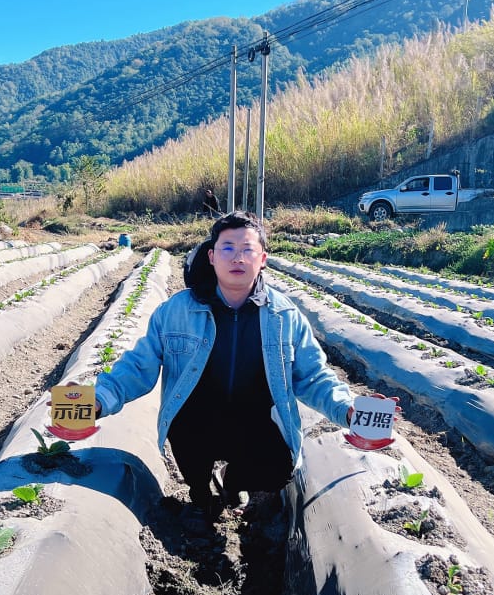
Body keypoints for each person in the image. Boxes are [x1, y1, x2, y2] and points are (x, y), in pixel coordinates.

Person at [94, 211, 394, 523]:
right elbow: (137, 366)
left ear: (262, 259)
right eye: (227, 248)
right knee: (191, 455)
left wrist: (348, 411)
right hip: (196, 420)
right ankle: (200, 492)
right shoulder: (175, 312)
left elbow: (313, 376)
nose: (237, 257)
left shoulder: (284, 316)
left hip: (255, 420)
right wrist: (99, 400)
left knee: (280, 469)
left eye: (247, 249)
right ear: (211, 257)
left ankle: (232, 482)